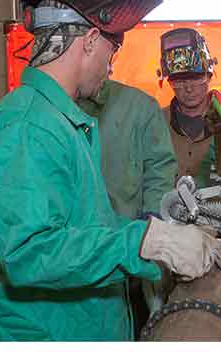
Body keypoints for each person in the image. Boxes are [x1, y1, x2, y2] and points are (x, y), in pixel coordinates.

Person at [0, 0, 221, 341]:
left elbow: (81, 232)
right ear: (90, 40)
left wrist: (156, 235)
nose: (111, 65)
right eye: (114, 47)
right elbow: (29, 252)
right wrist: (144, 244)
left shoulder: (60, 121)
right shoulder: (27, 128)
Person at [77, 75, 178, 337]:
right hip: (78, 265)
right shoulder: (39, 119)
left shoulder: (139, 107)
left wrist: (151, 230)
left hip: (132, 262)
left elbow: (160, 169)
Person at [158, 28, 217, 187]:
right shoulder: (156, 123)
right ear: (169, 82)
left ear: (209, 76)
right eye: (180, 81)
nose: (189, 88)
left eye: (196, 78)